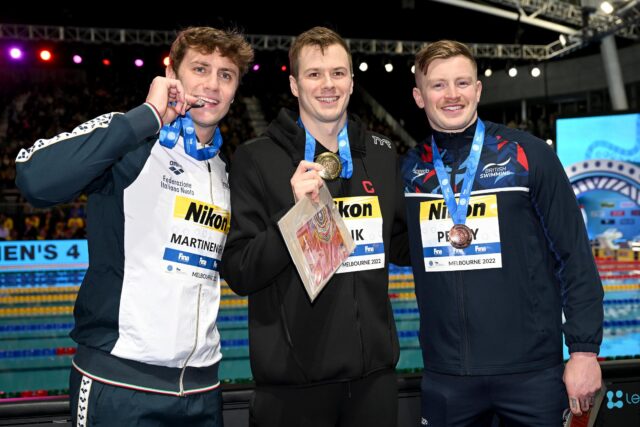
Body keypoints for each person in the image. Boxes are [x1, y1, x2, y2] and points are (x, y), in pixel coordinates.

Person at [15, 27, 253, 427]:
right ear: (171, 73)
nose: (212, 84)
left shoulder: (225, 170)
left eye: (226, 75)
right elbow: (34, 179)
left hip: (202, 392)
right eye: (200, 68)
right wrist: (147, 116)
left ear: (235, 89)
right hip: (119, 386)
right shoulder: (129, 140)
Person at [401, 40, 604, 426]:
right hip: (448, 378)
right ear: (419, 96)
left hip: (531, 375)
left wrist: (584, 351)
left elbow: (574, 256)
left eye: (462, 83)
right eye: (438, 85)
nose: (452, 95)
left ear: (478, 90)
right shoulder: (410, 171)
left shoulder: (528, 155)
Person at [221, 26, 409, 427]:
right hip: (294, 389)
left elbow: (402, 243)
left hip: (374, 383)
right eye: (314, 74)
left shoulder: (381, 153)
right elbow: (240, 271)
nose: (328, 84)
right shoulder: (256, 159)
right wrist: (294, 217)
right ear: (294, 84)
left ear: (352, 82)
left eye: (338, 73)